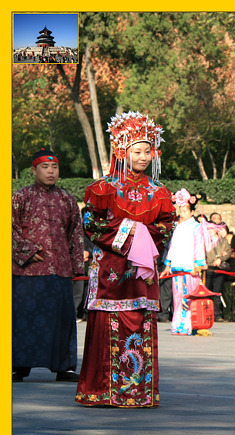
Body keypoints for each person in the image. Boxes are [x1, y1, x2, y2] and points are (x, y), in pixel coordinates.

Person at [75, 111, 176, 407]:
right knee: (107, 325)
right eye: (137, 151)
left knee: (140, 324)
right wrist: (132, 235)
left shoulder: (159, 192)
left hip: (141, 273)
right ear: (122, 151)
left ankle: (138, 392)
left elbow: (166, 225)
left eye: (148, 151)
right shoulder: (103, 188)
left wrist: (144, 237)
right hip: (110, 270)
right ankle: (103, 390)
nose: (144, 156)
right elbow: (91, 224)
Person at [12, 149, 85, 382]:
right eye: (45, 167)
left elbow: (76, 234)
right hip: (28, 271)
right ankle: (18, 366)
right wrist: (26, 251)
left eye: (54, 168)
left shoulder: (67, 199)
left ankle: (64, 367)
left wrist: (77, 267)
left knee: (62, 319)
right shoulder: (20, 197)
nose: (51, 171)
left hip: (61, 270)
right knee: (24, 317)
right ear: (34, 170)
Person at [161, 188, 206, 336]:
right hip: (177, 266)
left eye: (185, 210)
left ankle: (189, 324)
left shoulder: (196, 227)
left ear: (192, 212)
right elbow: (172, 247)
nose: (182, 213)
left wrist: (197, 265)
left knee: (189, 296)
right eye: (181, 209)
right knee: (178, 296)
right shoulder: (178, 227)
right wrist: (168, 264)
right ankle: (178, 323)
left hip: (190, 266)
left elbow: (199, 247)